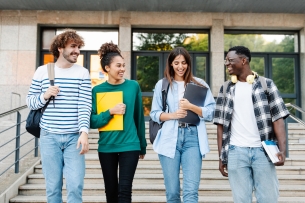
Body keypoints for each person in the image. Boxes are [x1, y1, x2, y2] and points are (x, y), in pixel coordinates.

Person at [213, 46, 290, 203]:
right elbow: (220, 125)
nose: (227, 64)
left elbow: (278, 119)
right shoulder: (226, 88)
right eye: (225, 60)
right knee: (241, 200)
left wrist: (282, 150)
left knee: (269, 198)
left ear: (243, 60)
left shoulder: (266, 85)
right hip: (236, 151)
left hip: (263, 152)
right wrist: (221, 156)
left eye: (230, 60)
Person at [26, 29, 92, 203]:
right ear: (60, 48)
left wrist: (84, 132)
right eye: (73, 46)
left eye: (78, 47)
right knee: (53, 187)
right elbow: (30, 102)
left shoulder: (82, 73)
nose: (77, 51)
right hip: (49, 136)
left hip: (74, 138)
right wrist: (45, 95)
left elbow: (85, 105)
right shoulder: (42, 71)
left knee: (75, 185)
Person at [150, 47, 216, 203]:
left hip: (193, 138)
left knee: (191, 193)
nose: (181, 66)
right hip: (168, 138)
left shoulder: (200, 84)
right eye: (177, 63)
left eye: (184, 63)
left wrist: (191, 107)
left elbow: (212, 112)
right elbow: (154, 113)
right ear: (171, 64)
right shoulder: (162, 84)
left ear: (188, 64)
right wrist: (173, 115)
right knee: (172, 193)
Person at [90, 42, 147, 203]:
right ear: (107, 68)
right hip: (106, 146)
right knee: (111, 192)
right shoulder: (97, 91)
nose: (122, 69)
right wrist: (110, 112)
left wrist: (142, 145)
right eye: (118, 65)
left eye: (124, 65)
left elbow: (139, 118)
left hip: (130, 145)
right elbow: (92, 121)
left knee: (124, 191)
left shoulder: (133, 86)